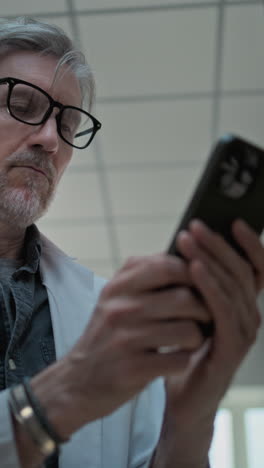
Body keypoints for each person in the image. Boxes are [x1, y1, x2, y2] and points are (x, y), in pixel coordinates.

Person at [0, 15, 263, 468]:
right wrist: (68, 392)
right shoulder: (102, 348)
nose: (51, 140)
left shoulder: (108, 316)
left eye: (67, 123)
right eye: (23, 104)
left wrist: (190, 417)